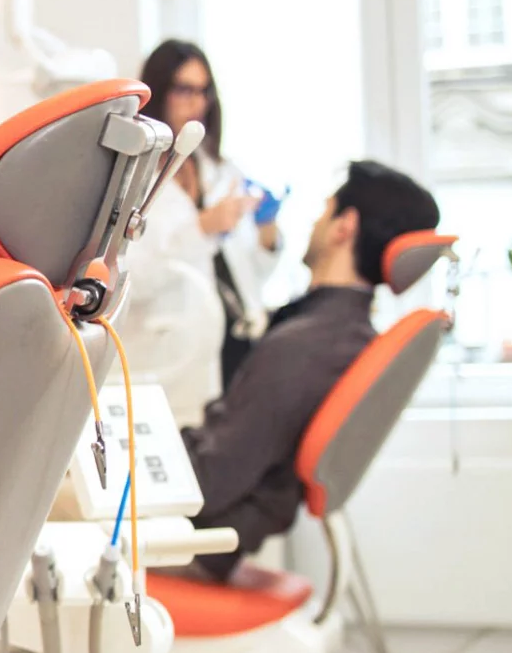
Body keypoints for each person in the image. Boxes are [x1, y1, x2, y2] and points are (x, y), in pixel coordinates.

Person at [180, 160, 439, 582]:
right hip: (211, 524)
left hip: (190, 544)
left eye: (325, 210)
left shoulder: (305, 348)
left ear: (345, 226)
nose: (315, 222)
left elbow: (206, 484)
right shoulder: (340, 334)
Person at [136, 40, 285, 402]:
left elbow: (249, 272)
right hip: (172, 352)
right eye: (184, 89)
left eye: (204, 92)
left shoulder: (221, 170)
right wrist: (201, 228)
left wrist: (267, 232)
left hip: (236, 340)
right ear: (158, 93)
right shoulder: (135, 180)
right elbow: (132, 279)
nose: (197, 103)